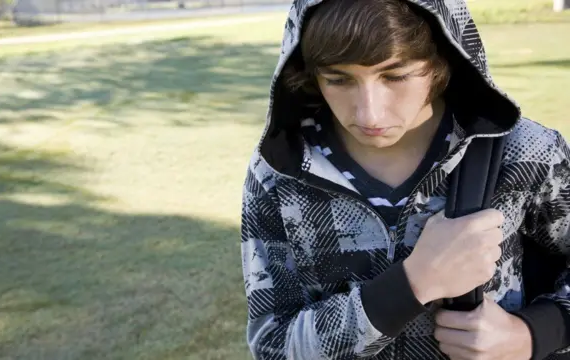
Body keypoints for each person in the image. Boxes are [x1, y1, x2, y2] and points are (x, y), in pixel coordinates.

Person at [240, 0, 570, 359]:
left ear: (442, 60)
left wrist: (531, 334)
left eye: (395, 76)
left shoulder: (525, 152)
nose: (370, 112)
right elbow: (273, 346)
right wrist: (413, 283)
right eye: (338, 79)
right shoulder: (278, 174)